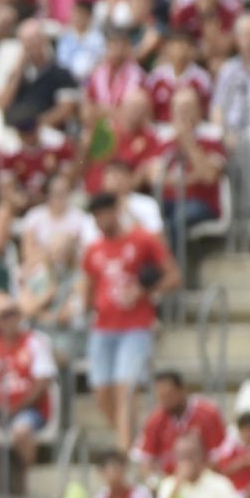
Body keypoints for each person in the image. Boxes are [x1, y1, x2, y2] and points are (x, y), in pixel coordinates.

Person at [82, 191, 179, 452]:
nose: (102, 219)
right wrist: (83, 307)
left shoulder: (142, 240)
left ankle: (124, 452)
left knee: (126, 389)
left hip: (136, 324)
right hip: (103, 326)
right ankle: (134, 443)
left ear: (116, 211)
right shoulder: (93, 250)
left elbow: (173, 275)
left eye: (106, 212)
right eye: (97, 215)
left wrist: (144, 291)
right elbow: (89, 287)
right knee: (101, 390)